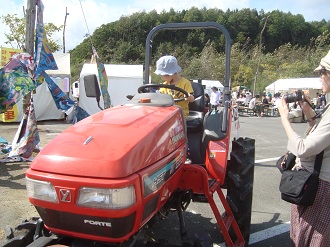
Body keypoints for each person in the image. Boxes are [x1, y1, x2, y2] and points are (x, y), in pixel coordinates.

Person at [278, 50, 330, 246]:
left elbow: (305, 148)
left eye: (322, 73)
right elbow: (322, 139)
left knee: (311, 240)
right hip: (315, 184)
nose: (320, 78)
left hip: (319, 188)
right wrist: (309, 114)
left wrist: (284, 117)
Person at [154, 55, 194, 120]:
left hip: (181, 113)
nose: (161, 77)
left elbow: (192, 99)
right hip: (166, 112)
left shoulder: (185, 83)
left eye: (163, 75)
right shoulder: (164, 85)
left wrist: (188, 97)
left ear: (171, 73)